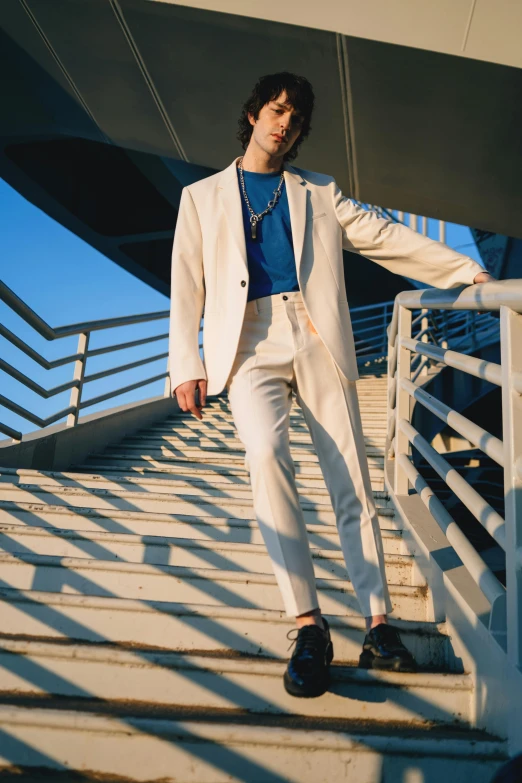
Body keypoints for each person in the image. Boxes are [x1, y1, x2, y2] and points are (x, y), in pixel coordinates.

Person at [168, 72, 494, 699]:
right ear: (254, 114)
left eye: (294, 116)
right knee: (265, 456)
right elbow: (188, 284)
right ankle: (309, 625)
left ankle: (378, 625)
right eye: (276, 109)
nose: (284, 123)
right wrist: (187, 363)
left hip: (317, 334)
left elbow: (383, 237)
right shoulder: (201, 197)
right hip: (248, 345)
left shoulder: (317, 191)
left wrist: (463, 271)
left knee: (351, 479)